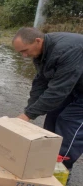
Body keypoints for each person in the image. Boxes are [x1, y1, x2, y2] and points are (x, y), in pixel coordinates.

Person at [12, 27, 83, 175]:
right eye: (21, 53)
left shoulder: (67, 50)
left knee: (68, 121)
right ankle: (45, 162)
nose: (24, 56)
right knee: (53, 116)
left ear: (38, 41)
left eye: (25, 50)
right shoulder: (42, 52)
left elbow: (58, 90)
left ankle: (60, 170)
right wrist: (28, 110)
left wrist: (28, 115)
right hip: (75, 83)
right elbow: (41, 82)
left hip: (76, 87)